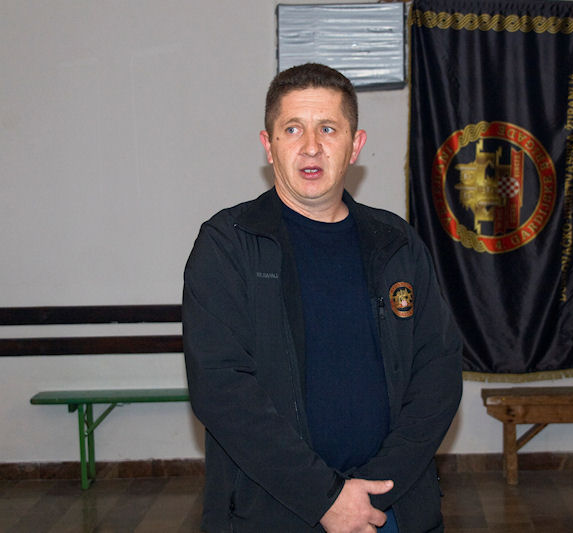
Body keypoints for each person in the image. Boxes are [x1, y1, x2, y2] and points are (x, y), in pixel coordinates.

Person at [182, 63, 463, 532]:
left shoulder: (397, 243)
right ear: (268, 145)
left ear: (356, 145)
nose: (311, 146)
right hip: (274, 511)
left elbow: (438, 371)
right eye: (293, 129)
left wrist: (374, 491)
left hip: (389, 508)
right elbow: (221, 389)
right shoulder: (228, 244)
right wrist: (325, 498)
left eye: (328, 129)